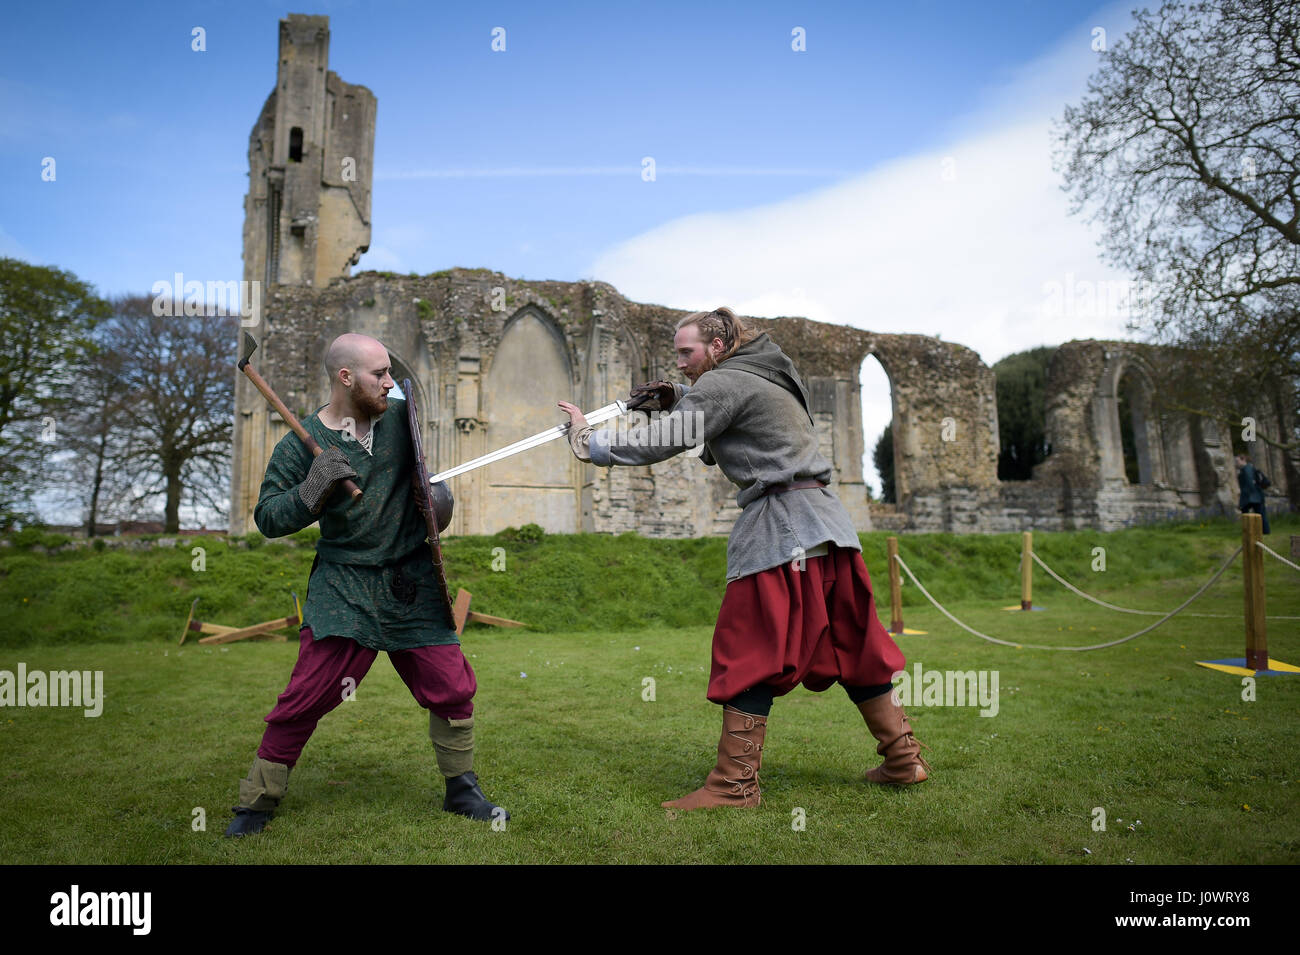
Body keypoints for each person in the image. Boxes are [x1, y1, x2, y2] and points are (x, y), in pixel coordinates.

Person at [557, 308, 928, 811]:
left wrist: (588, 441)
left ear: (716, 345)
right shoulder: (768, 373)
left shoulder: (726, 382)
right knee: (855, 645)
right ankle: (904, 760)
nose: (681, 362)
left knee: (749, 649)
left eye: (687, 353)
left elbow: (663, 440)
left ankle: (734, 786)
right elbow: (733, 413)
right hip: (831, 529)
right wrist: (679, 397)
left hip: (781, 530)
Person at [225, 333, 508, 836]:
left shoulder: (401, 421)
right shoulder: (300, 441)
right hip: (345, 583)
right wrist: (313, 489)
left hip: (410, 577)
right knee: (306, 694)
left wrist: (434, 503)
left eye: (390, 372)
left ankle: (461, 789)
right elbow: (267, 517)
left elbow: (430, 487)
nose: (389, 381)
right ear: (346, 377)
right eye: (379, 373)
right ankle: (256, 802)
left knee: (452, 686)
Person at [1235, 452, 1271, 535]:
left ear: (1243, 460)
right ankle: (1262, 531)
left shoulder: (1247, 469)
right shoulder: (1248, 469)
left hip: (1253, 496)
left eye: (1237, 461)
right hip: (1255, 496)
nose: (1236, 463)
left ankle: (1258, 531)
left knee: (1256, 514)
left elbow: (1249, 485)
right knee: (1260, 514)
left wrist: (1243, 499)